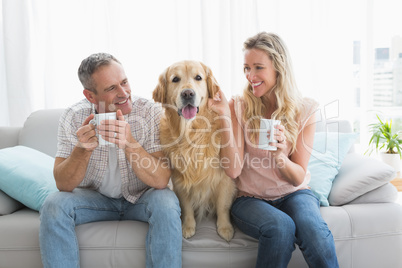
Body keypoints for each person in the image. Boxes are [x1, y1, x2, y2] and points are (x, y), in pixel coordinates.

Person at [39, 53, 182, 268]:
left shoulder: (149, 112)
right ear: (90, 96)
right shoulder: (73, 117)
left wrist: (130, 143)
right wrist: (82, 151)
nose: (124, 93)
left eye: (124, 82)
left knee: (166, 202)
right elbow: (63, 184)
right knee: (53, 204)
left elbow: (162, 179)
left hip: (141, 197)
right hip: (96, 200)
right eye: (111, 88)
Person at [208, 32, 339, 267]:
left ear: (279, 68)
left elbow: (298, 175)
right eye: (246, 68)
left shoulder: (304, 109)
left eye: (258, 68)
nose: (250, 76)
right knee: (281, 226)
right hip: (249, 198)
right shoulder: (238, 106)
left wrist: (280, 158)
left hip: (294, 193)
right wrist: (225, 118)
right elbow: (233, 170)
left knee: (313, 230)